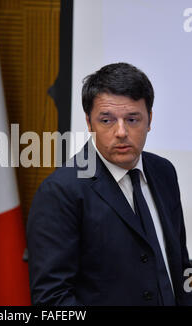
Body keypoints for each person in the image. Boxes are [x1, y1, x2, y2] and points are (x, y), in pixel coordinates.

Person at [26, 62, 192, 306]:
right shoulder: (61, 191)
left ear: (150, 119)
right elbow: (52, 299)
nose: (121, 132)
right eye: (107, 121)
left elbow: (181, 265)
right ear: (89, 123)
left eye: (132, 119)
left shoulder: (164, 172)